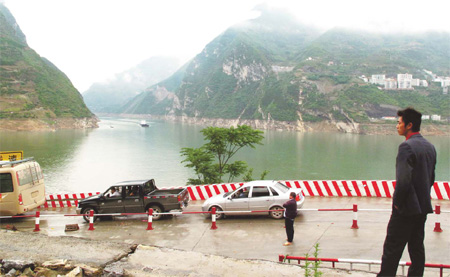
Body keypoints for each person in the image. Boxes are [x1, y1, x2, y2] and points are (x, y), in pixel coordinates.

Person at [378, 107, 437, 277]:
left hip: (405, 210)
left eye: (399, 123)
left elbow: (403, 181)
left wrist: (397, 204)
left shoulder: (406, 147)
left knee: (392, 250)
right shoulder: (430, 147)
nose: (397, 126)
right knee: (417, 248)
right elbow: (431, 179)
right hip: (422, 208)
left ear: (409, 125)